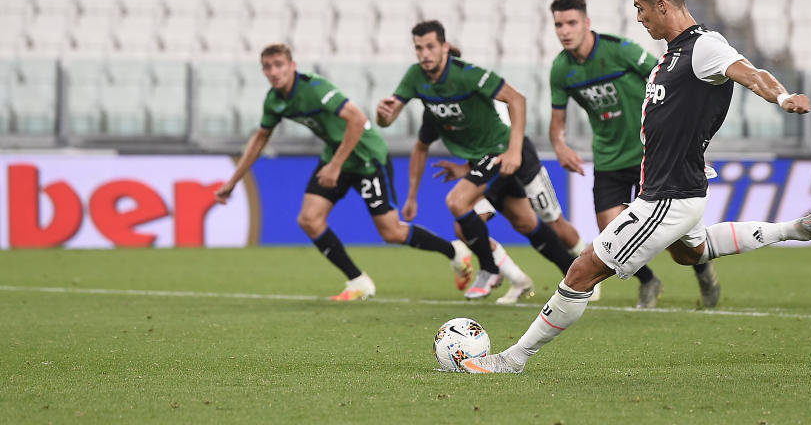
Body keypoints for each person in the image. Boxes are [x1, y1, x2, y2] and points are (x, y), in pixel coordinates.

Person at [463, 0, 811, 373]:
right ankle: (795, 228)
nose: (639, 17)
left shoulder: (704, 46)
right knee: (692, 253)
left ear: (662, 6)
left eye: (641, 7)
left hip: (668, 197)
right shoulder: (675, 55)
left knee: (582, 271)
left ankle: (514, 358)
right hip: (682, 190)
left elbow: (751, 72)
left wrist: (781, 97)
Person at [214, 43, 473, 301]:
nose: (273, 72)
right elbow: (259, 139)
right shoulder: (274, 101)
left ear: (292, 66)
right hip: (335, 157)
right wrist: (233, 181)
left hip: (366, 157)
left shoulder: (315, 89)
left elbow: (358, 120)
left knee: (391, 232)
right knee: (309, 219)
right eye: (267, 67)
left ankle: (453, 250)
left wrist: (335, 166)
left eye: (279, 65)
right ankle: (358, 281)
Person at [376, 21, 576, 299]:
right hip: (482, 162)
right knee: (524, 223)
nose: (424, 54)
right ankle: (574, 275)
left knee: (460, 203)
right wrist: (382, 117)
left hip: (503, 150)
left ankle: (489, 269)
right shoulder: (417, 81)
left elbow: (517, 99)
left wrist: (514, 150)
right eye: (419, 48)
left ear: (444, 47)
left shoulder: (467, 75)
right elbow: (392, 121)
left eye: (431, 46)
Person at [548, 0, 721, 308]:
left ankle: (703, 268)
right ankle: (649, 281)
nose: (564, 30)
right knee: (610, 232)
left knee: (669, 235)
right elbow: (556, 122)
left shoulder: (620, 51)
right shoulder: (561, 69)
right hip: (608, 157)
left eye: (571, 23)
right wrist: (559, 145)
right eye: (558, 24)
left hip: (652, 154)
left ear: (586, 23)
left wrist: (686, 140)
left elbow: (671, 82)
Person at [408, 111, 536, 305]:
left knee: (539, 223)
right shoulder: (462, 103)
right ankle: (513, 277)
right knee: (464, 229)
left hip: (502, 167)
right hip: (484, 169)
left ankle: (498, 272)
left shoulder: (486, 98)